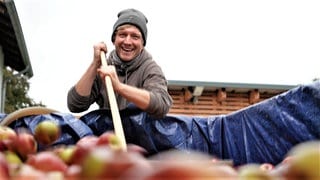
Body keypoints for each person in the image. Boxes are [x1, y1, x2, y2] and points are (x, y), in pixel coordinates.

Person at [67, 8, 172, 118]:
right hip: (107, 134)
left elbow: (161, 105)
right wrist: (95, 64)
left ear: (142, 43)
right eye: (122, 35)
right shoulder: (104, 68)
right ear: (114, 40)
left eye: (135, 37)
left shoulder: (150, 69)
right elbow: (75, 105)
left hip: (139, 135)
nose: (127, 42)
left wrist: (119, 87)